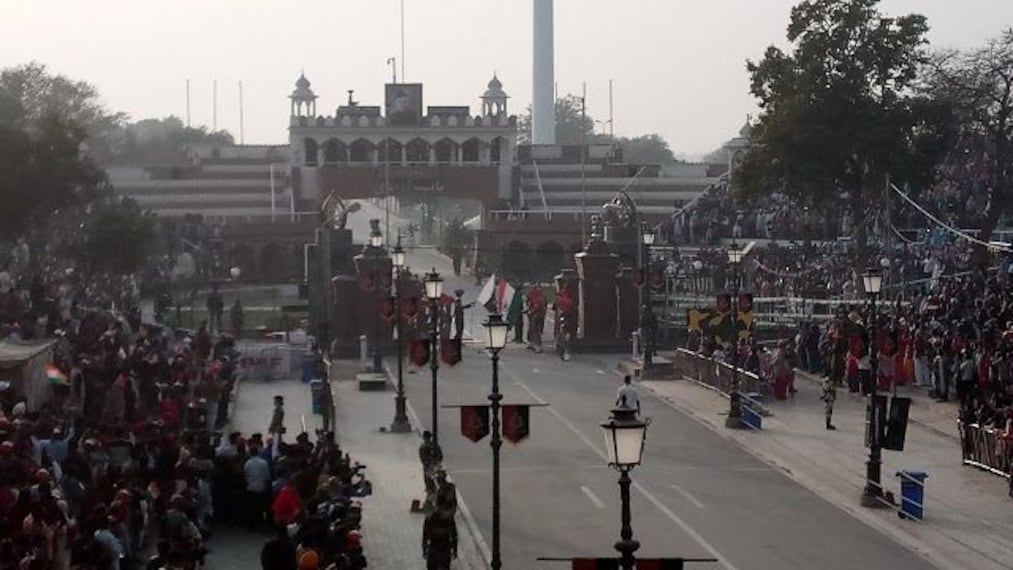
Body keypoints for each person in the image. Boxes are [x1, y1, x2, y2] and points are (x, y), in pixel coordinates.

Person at [244, 446, 271, 529]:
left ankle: (252, 525)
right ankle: (260, 524)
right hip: (261, 488)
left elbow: (245, 476)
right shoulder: (263, 462)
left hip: (250, 488)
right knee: (260, 508)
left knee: (251, 508)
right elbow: (267, 476)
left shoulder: (247, 463)